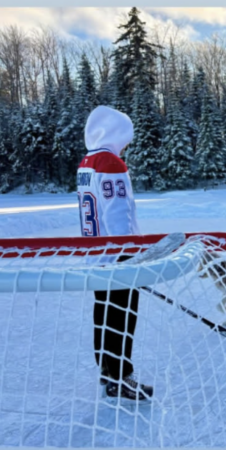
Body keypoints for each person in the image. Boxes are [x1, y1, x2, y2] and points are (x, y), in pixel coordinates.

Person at [77, 105, 153, 401]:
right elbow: (118, 212)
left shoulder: (87, 161)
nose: (128, 142)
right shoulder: (111, 164)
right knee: (122, 314)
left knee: (104, 312)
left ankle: (107, 370)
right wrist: (130, 252)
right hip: (118, 256)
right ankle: (121, 377)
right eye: (126, 135)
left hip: (96, 255)